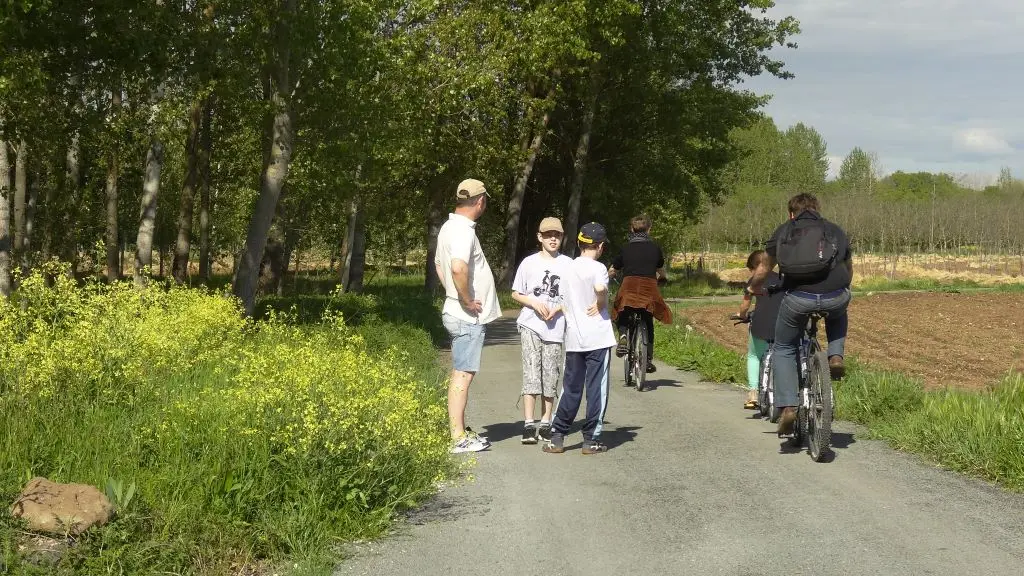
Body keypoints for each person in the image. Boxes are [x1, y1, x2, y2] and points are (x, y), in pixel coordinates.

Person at [748, 193, 853, 436]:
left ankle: (787, 407)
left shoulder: (784, 230)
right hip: (835, 294)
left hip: (798, 298)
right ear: (818, 209)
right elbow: (848, 268)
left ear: (791, 213)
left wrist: (753, 287)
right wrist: (844, 288)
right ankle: (835, 356)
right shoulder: (834, 230)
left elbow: (764, 267)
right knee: (838, 311)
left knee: (784, 347)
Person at [434, 178, 502, 454]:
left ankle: (459, 431)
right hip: (466, 316)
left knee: (461, 372)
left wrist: (452, 293)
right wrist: (465, 299)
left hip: (456, 310)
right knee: (462, 375)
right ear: (481, 201)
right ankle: (458, 436)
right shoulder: (463, 231)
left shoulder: (449, 227)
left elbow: (440, 266)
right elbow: (458, 268)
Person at [543, 222, 616, 455]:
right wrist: (602, 300)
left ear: (578, 243)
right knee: (597, 388)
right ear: (601, 246)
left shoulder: (567, 268)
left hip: (574, 338)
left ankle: (557, 436)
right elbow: (600, 288)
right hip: (598, 337)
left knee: (570, 387)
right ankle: (591, 439)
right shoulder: (599, 268)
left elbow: (564, 302)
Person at [511, 217, 573, 444]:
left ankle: (546, 420)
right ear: (540, 237)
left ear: (562, 237)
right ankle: (529, 423)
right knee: (531, 371)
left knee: (551, 373)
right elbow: (516, 293)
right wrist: (534, 303)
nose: (553, 239)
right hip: (530, 324)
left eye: (557, 235)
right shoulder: (529, 263)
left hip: (555, 328)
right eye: (548, 235)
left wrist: (558, 308)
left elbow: (574, 298)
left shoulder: (568, 264)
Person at [608, 214, 671, 373]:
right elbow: (661, 270)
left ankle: (622, 337)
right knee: (647, 320)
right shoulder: (655, 248)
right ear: (649, 229)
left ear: (631, 229)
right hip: (648, 289)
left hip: (629, 287)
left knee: (621, 310)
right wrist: (663, 278)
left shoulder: (625, 248)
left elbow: (613, 269)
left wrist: (610, 275)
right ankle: (648, 360)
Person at [737, 249, 783, 410]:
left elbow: (745, 306)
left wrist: (741, 315)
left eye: (751, 269)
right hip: (783, 325)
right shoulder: (782, 279)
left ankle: (753, 393)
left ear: (758, 267)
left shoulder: (753, 282)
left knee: (754, 356)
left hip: (761, 325)